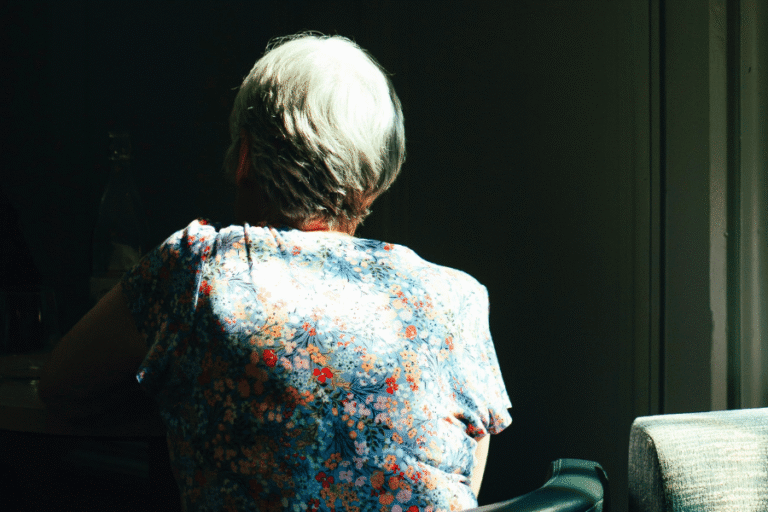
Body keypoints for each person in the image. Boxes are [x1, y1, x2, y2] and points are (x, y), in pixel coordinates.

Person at [39, 33, 512, 512]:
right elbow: (465, 484)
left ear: (245, 156)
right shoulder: (457, 300)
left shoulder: (198, 267)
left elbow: (60, 389)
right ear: (375, 179)